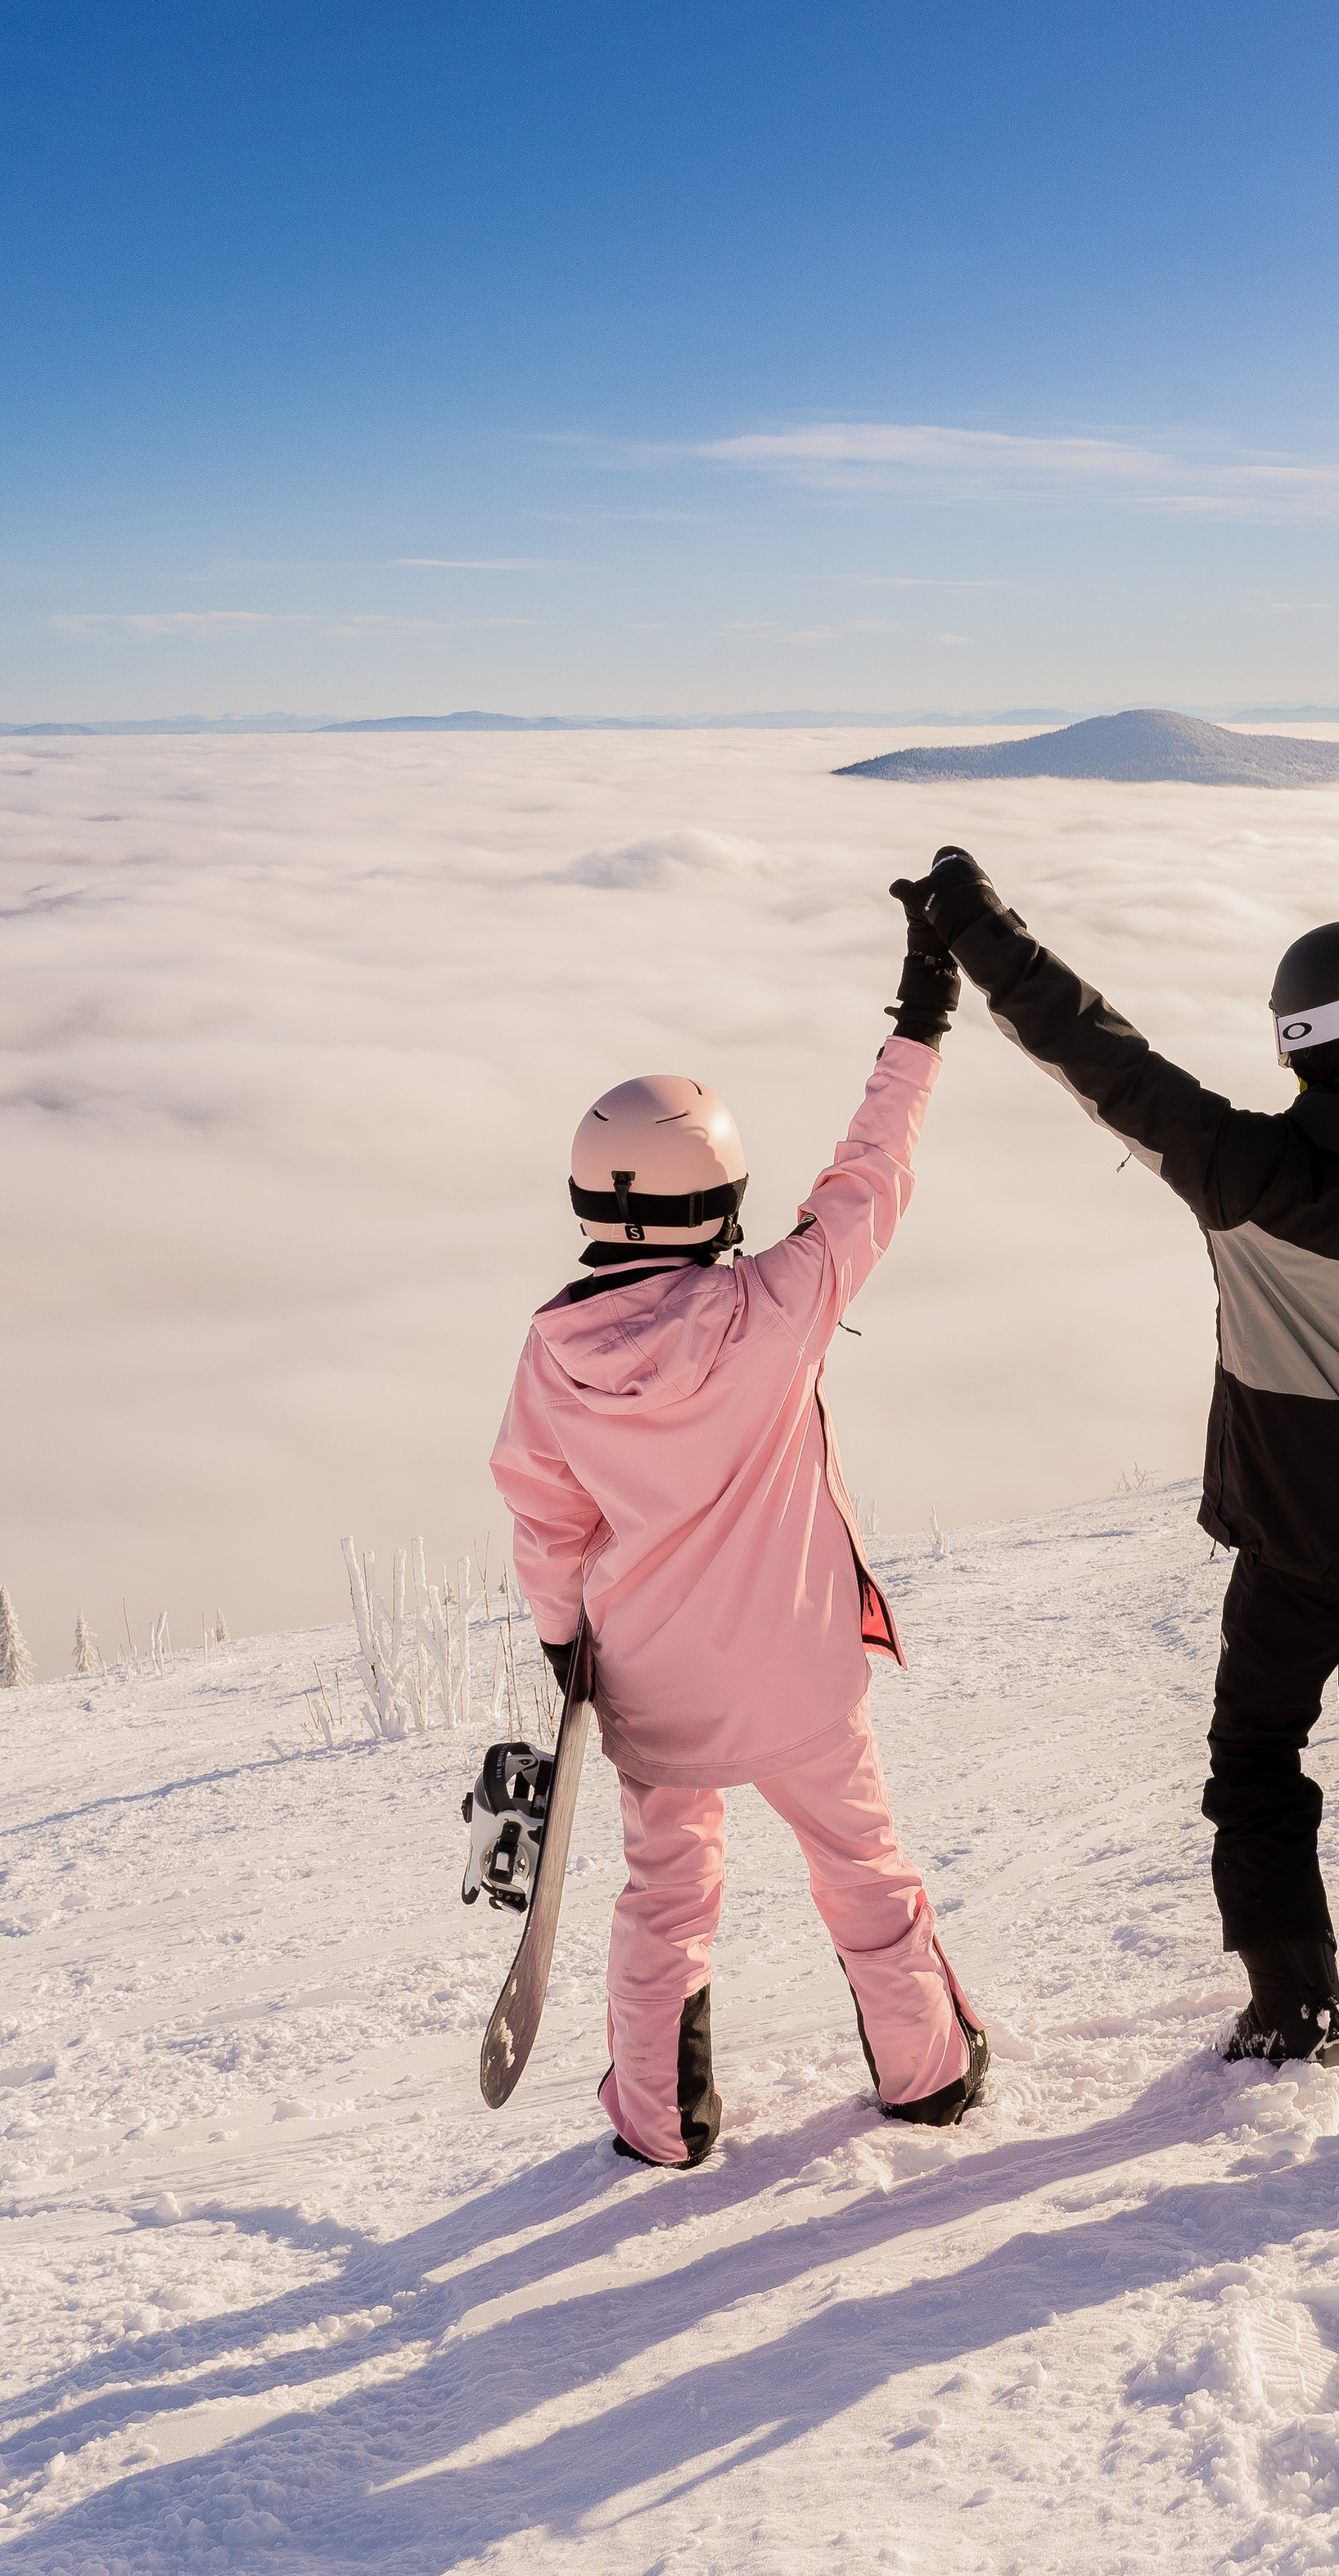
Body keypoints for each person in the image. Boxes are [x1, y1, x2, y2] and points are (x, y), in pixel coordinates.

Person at [890, 851, 1339, 2074]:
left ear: (1302, 1037)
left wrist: (975, 928)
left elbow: (1097, 1053)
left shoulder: (1248, 1170)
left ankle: (1295, 2012)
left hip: (1295, 1544)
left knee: (1258, 1755)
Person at [489, 899, 987, 2169]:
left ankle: (662, 2120)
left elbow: (546, 1519)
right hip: (801, 1673)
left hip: (652, 1683)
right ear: (720, 1197)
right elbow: (871, 1171)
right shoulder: (781, 1303)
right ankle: (927, 2072)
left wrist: (564, 1642)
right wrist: (923, 1012)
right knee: (861, 1864)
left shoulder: (553, 1356)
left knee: (667, 1893)